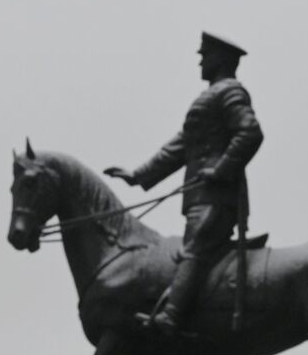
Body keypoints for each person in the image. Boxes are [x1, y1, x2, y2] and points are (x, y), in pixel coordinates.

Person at [105, 31, 264, 334]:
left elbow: (251, 132)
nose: (200, 62)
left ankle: (172, 316)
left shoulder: (231, 91)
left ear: (219, 59)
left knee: (195, 249)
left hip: (217, 197)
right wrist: (138, 175)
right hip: (201, 196)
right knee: (191, 250)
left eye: (204, 56)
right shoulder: (212, 96)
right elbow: (182, 146)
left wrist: (221, 169)